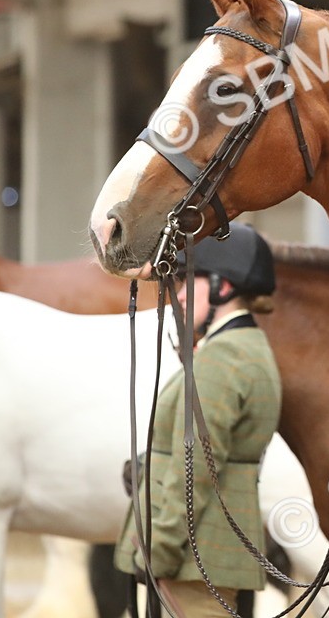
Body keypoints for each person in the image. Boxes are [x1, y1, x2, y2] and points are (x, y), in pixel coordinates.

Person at [115, 222, 282, 618]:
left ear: (224, 287)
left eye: (192, 281)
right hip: (206, 550)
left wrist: (160, 549)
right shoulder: (243, 348)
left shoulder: (222, 359)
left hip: (191, 557)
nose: (181, 294)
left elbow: (195, 468)